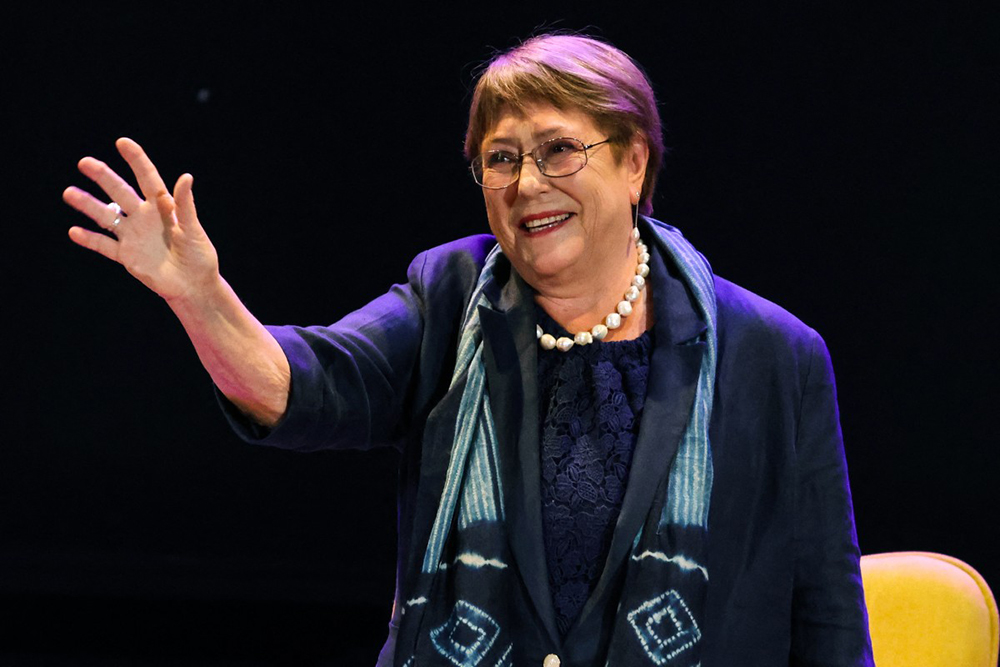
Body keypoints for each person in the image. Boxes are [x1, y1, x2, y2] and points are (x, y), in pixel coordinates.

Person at [64, 34, 874, 667]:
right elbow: (298, 387)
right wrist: (199, 297)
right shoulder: (450, 299)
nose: (527, 183)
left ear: (633, 161)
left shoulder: (772, 353)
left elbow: (830, 620)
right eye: (501, 158)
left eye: (560, 150)